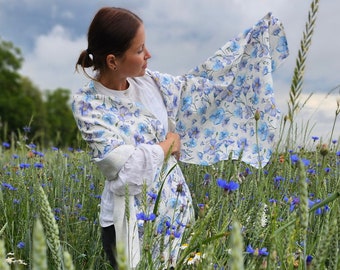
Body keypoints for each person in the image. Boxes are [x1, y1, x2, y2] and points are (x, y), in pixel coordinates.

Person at [72, 6, 288, 269]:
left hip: (175, 218)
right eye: (139, 50)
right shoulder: (89, 105)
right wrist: (167, 145)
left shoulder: (152, 83)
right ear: (112, 61)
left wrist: (246, 49)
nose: (148, 55)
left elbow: (200, 89)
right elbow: (125, 178)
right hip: (130, 227)